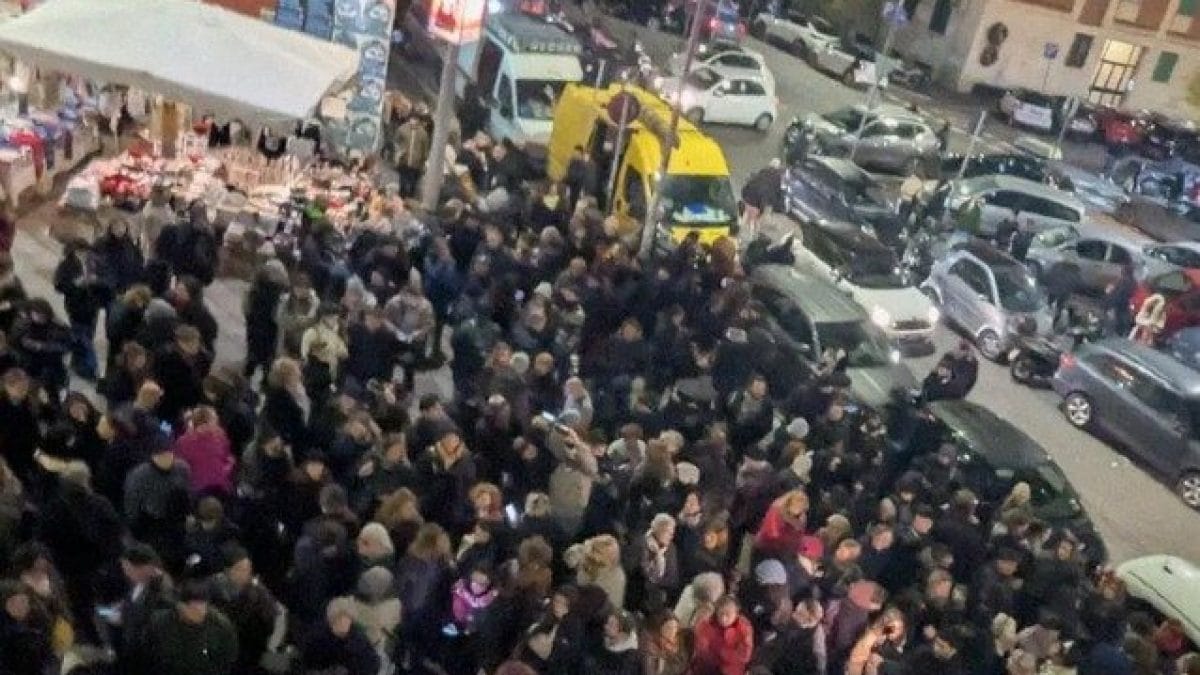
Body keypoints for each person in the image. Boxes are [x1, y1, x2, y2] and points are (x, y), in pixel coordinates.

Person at [144, 579, 239, 675]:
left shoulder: (221, 627)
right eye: (194, 609)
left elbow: (228, 661)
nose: (201, 613)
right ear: (180, 606)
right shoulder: (159, 623)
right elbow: (148, 657)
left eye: (203, 607)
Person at [1104, 263, 1137, 338]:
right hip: (1125, 304)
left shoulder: (1123, 281)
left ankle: (1111, 336)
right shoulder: (1133, 282)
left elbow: (1117, 294)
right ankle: (1119, 334)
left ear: (1124, 272)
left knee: (1112, 322)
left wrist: (1109, 294)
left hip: (1117, 304)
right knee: (1121, 322)